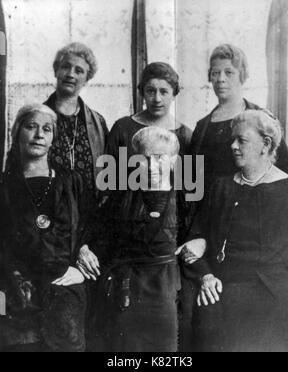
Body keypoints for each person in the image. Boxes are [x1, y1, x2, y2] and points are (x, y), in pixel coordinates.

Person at [77, 62, 199, 351]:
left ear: (174, 94)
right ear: (141, 92)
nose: (157, 97)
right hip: (128, 241)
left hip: (165, 255)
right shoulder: (123, 128)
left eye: (164, 91)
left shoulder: (186, 135)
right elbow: (108, 192)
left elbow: (190, 199)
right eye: (150, 90)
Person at [186, 110, 288, 352]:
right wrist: (205, 276)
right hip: (222, 287)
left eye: (242, 140)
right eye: (232, 140)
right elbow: (197, 235)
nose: (233, 146)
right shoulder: (222, 187)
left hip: (277, 295)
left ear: (265, 144)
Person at [91, 127, 194, 351]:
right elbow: (101, 238)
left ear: (174, 161)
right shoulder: (120, 197)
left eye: (160, 158)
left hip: (168, 287)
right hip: (128, 285)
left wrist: (199, 242)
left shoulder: (185, 196)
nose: (152, 166)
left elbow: (198, 234)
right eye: (144, 159)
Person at [0, 104, 91, 352]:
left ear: (53, 139)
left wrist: (80, 269)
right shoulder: (5, 184)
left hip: (64, 288)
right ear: (17, 132)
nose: (39, 134)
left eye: (47, 129)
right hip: (15, 291)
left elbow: (92, 227)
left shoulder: (72, 181)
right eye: (31, 127)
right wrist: (12, 279)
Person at [190, 44, 288, 198]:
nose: (221, 79)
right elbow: (190, 179)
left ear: (242, 75)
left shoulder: (261, 118)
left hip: (253, 211)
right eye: (215, 73)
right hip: (210, 213)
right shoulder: (202, 127)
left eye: (229, 72)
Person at [44, 42, 108, 201]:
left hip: (90, 215)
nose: (71, 74)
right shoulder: (35, 117)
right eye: (66, 67)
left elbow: (108, 171)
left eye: (79, 71)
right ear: (56, 70)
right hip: (48, 209)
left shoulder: (98, 123)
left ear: (87, 79)